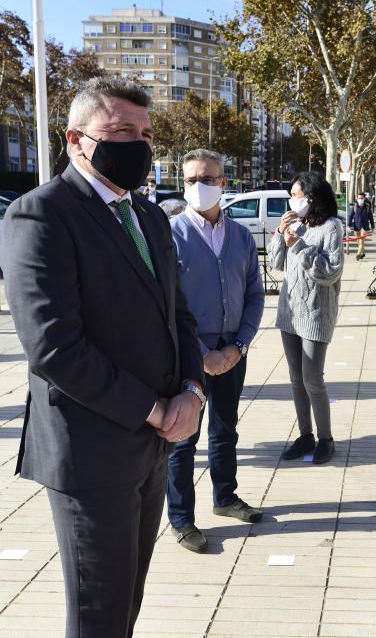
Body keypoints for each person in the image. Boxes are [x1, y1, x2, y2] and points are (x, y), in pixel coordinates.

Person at [2, 77, 206, 637]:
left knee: (126, 603)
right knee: (99, 613)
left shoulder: (150, 217)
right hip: (92, 451)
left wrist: (191, 391)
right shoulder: (40, 215)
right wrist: (154, 409)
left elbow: (179, 317)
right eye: (119, 131)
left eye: (144, 133)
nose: (136, 145)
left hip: (152, 447)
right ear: (75, 140)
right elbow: (54, 348)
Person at [165, 148, 265, 554]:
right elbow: (168, 303)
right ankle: (182, 519)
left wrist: (238, 347)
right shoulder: (171, 234)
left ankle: (225, 497)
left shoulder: (241, 236)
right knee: (183, 438)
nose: (199, 187)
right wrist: (203, 352)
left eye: (207, 179)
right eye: (190, 180)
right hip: (190, 353)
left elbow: (256, 294)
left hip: (233, 351)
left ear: (224, 183)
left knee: (225, 430)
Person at [268, 172, 344, 465]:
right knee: (296, 378)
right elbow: (276, 264)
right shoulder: (294, 224)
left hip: (315, 312)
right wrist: (280, 233)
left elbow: (329, 272)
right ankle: (305, 435)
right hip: (289, 312)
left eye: (295, 195)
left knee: (313, 378)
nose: (292, 200)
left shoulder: (331, 227)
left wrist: (298, 244)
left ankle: (326, 438)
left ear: (311, 198)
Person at [347, 190, 375, 259]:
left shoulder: (367, 207)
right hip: (356, 226)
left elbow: (371, 217)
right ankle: (363, 253)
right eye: (359, 198)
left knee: (361, 240)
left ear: (364, 199)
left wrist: (373, 226)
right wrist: (348, 225)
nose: (360, 199)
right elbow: (350, 216)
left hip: (365, 227)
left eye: (361, 198)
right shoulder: (355, 206)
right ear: (357, 198)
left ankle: (358, 254)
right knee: (359, 242)